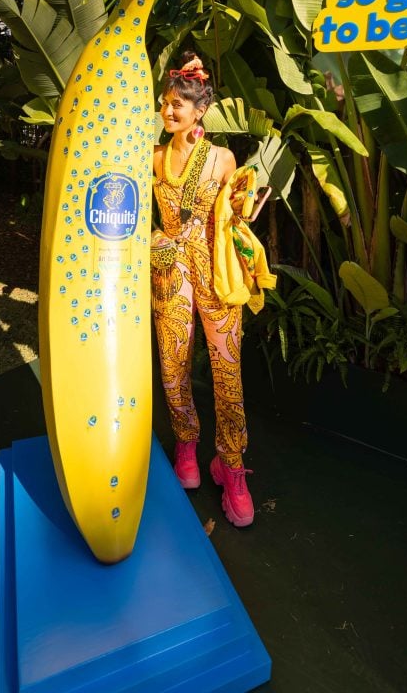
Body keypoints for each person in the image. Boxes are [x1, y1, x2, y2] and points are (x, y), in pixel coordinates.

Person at [151, 52, 273, 528]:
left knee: (226, 369)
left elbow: (234, 212)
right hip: (169, 269)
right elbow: (138, 215)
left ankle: (232, 465)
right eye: (166, 102)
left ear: (199, 110)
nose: (169, 111)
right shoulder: (154, 157)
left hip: (215, 273)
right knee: (172, 362)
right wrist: (155, 242)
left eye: (178, 103)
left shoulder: (222, 157)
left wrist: (246, 204)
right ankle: (186, 444)